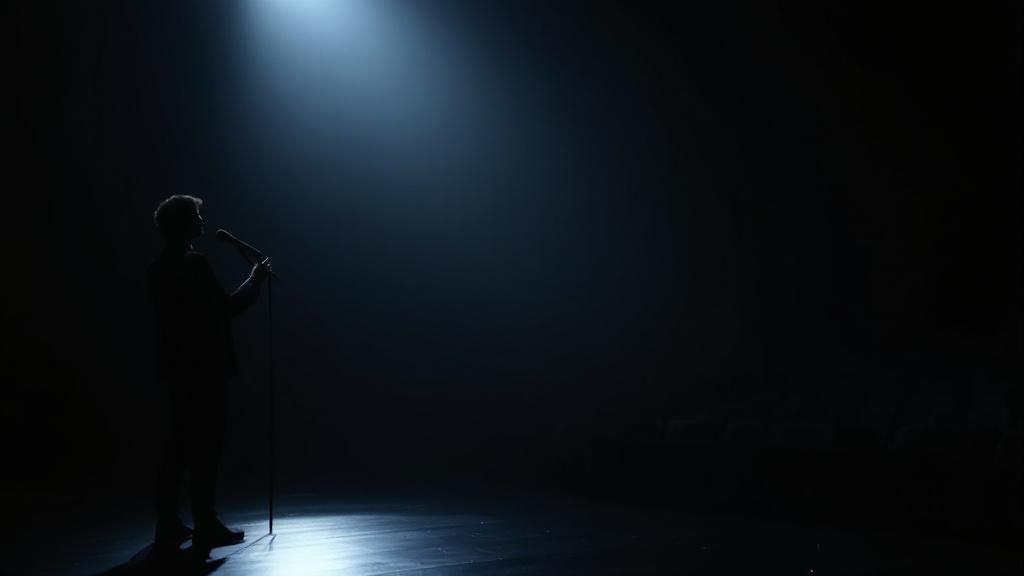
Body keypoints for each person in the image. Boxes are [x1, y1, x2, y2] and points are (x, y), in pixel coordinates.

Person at [148, 195, 272, 552]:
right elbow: (224, 309)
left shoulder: (157, 268)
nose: (202, 221)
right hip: (205, 367)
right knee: (206, 447)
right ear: (184, 224)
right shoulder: (194, 263)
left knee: (178, 446)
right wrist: (254, 281)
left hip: (177, 367)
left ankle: (168, 524)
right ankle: (206, 523)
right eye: (196, 216)